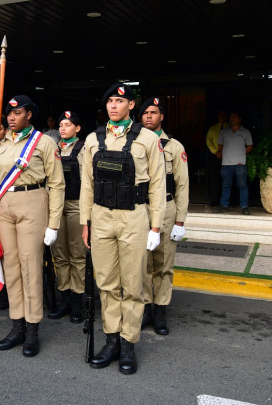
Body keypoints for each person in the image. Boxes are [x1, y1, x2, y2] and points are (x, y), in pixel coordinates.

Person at [80, 83, 166, 374]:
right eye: (110, 102)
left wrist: (156, 227)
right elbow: (87, 185)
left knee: (133, 284)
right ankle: (111, 340)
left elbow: (157, 184)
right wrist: (85, 222)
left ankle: (129, 344)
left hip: (134, 217)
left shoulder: (148, 140)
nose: (113, 106)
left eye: (119, 101)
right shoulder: (93, 139)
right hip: (101, 216)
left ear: (131, 105)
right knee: (106, 284)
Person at [0, 95, 65, 357]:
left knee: (30, 266)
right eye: (9, 114)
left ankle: (33, 330)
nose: (11, 118)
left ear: (29, 115)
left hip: (33, 202)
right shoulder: (0, 144)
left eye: (17, 113)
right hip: (5, 206)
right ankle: (17, 326)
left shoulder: (44, 143)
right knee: (11, 265)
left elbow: (57, 184)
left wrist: (53, 224)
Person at [139, 97, 189, 335]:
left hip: (167, 209)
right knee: (142, 264)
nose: (148, 116)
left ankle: (160, 312)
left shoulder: (174, 147)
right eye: (145, 112)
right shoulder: (134, 144)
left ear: (162, 117)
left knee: (163, 264)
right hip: (141, 209)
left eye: (153, 112)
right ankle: (146, 308)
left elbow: (182, 186)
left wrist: (180, 220)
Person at [48, 110, 86, 323]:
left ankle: (77, 302)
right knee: (60, 255)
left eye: (68, 125)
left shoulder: (83, 149)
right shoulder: (53, 149)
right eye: (61, 124)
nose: (63, 128)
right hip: (56, 206)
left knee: (77, 255)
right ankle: (64, 298)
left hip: (75, 205)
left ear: (77, 128)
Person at [216, 112, 253, 215]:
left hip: (240, 164)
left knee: (242, 186)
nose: (232, 119)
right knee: (225, 186)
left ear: (240, 119)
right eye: (231, 117)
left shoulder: (245, 132)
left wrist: (239, 153)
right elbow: (220, 145)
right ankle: (224, 205)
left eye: (234, 117)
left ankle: (244, 206)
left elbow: (249, 146)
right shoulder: (224, 132)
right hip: (226, 163)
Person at [205, 110, 227, 206]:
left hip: (228, 156)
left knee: (227, 179)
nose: (221, 117)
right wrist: (216, 151)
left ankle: (227, 201)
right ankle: (214, 200)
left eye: (223, 115)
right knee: (215, 179)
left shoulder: (229, 128)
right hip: (215, 156)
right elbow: (208, 141)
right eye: (220, 115)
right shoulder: (213, 128)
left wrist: (223, 152)